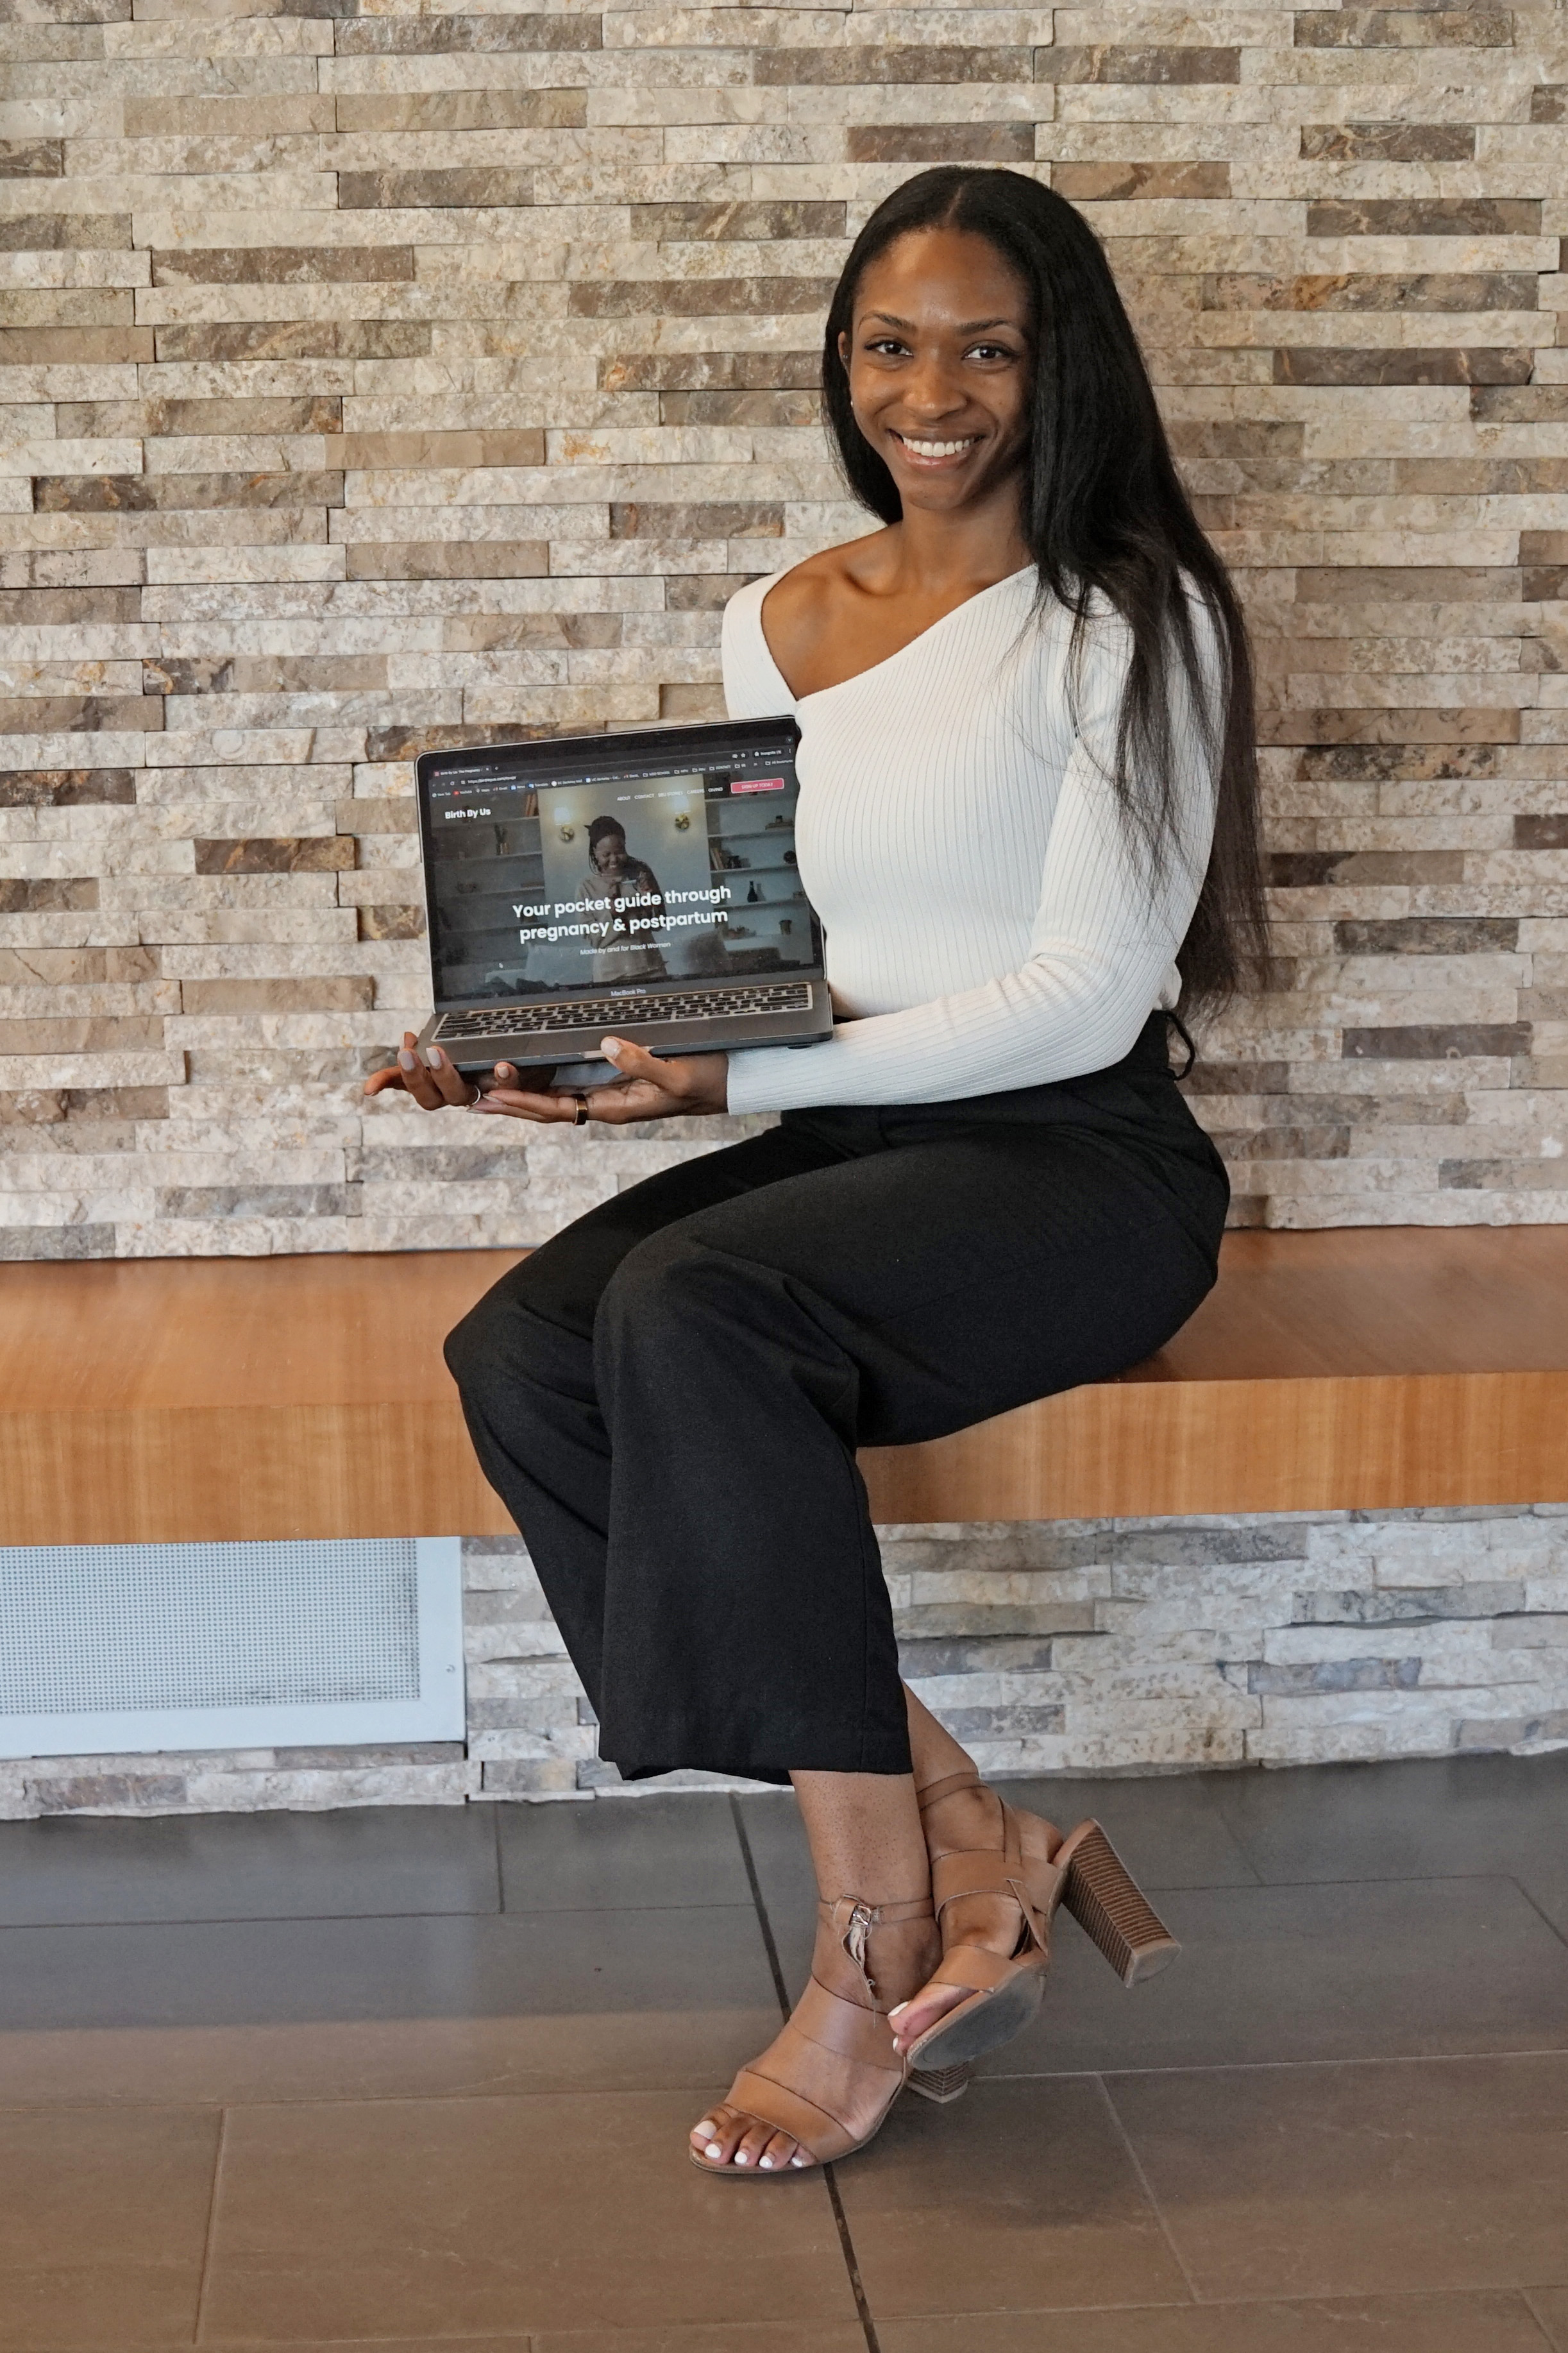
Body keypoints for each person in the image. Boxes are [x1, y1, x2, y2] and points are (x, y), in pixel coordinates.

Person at [366, 165, 1265, 2176]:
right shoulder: (779, 613)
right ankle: (970, 1828)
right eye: (887, 341)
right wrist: (548, 1044)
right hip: (860, 1142)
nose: (927, 388)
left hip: (1078, 1166)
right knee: (524, 1346)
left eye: (982, 345)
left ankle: (868, 1944)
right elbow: (759, 956)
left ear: (1057, 368)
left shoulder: (1136, 617)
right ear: (838, 359)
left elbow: (1081, 993)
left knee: (697, 1305)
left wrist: (725, 1076)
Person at [575, 815, 668, 982]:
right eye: (606, 854)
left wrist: (652, 900)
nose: (614, 860)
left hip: (651, 967)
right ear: (595, 853)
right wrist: (611, 914)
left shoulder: (641, 875)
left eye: (619, 852)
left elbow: (660, 923)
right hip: (610, 975)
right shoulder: (586, 887)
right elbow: (594, 940)